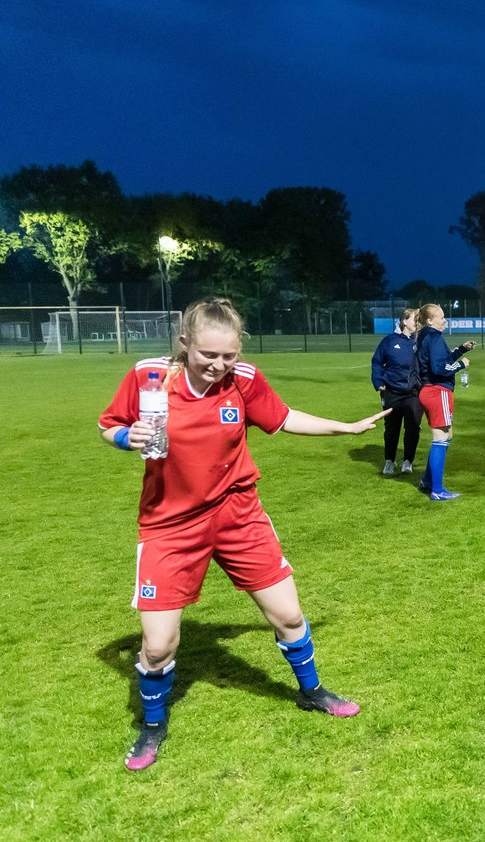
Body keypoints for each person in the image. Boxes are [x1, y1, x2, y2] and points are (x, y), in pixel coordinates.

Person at [98, 298, 389, 772]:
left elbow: (284, 417)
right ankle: (152, 725)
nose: (218, 365)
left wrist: (345, 427)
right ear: (185, 343)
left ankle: (311, 691)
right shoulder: (149, 377)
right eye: (208, 355)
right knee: (157, 646)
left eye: (228, 355)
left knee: (289, 616)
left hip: (239, 515)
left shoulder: (245, 380)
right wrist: (122, 437)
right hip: (170, 526)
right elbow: (106, 424)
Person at [413, 303, 476, 501]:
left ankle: (428, 482)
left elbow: (443, 359)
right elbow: (440, 368)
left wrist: (461, 350)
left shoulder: (427, 336)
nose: (444, 320)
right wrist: (461, 364)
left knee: (447, 435)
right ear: (430, 320)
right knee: (441, 437)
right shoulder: (434, 337)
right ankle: (437, 491)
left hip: (432, 390)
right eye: (441, 317)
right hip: (436, 390)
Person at [370, 307, 423, 475]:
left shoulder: (421, 341)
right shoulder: (389, 341)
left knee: (413, 427)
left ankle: (408, 461)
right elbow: (377, 362)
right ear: (404, 321)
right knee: (392, 428)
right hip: (392, 392)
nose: (417, 323)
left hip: (414, 393)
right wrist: (378, 382)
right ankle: (389, 461)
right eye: (415, 319)